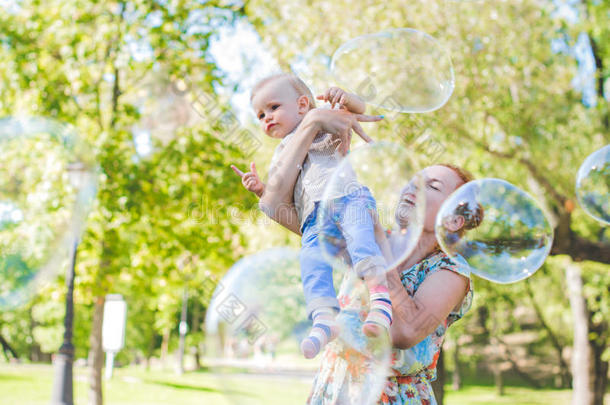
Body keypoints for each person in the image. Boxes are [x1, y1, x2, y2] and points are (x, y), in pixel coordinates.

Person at [258, 106, 477, 404]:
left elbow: (404, 332)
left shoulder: (452, 269)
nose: (414, 187)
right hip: (335, 388)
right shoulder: (368, 241)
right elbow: (292, 216)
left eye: (432, 186)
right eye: (413, 180)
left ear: (454, 220)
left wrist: (379, 251)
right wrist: (314, 121)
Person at [231, 73, 391, 359]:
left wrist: (343, 96)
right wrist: (260, 189)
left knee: (361, 242)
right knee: (311, 262)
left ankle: (380, 298)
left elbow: (358, 110)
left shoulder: (322, 124)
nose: (267, 117)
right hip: (314, 220)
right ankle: (324, 318)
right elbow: (281, 196)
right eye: (260, 114)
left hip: (347, 198)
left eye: (273, 107)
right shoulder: (281, 155)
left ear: (303, 104)